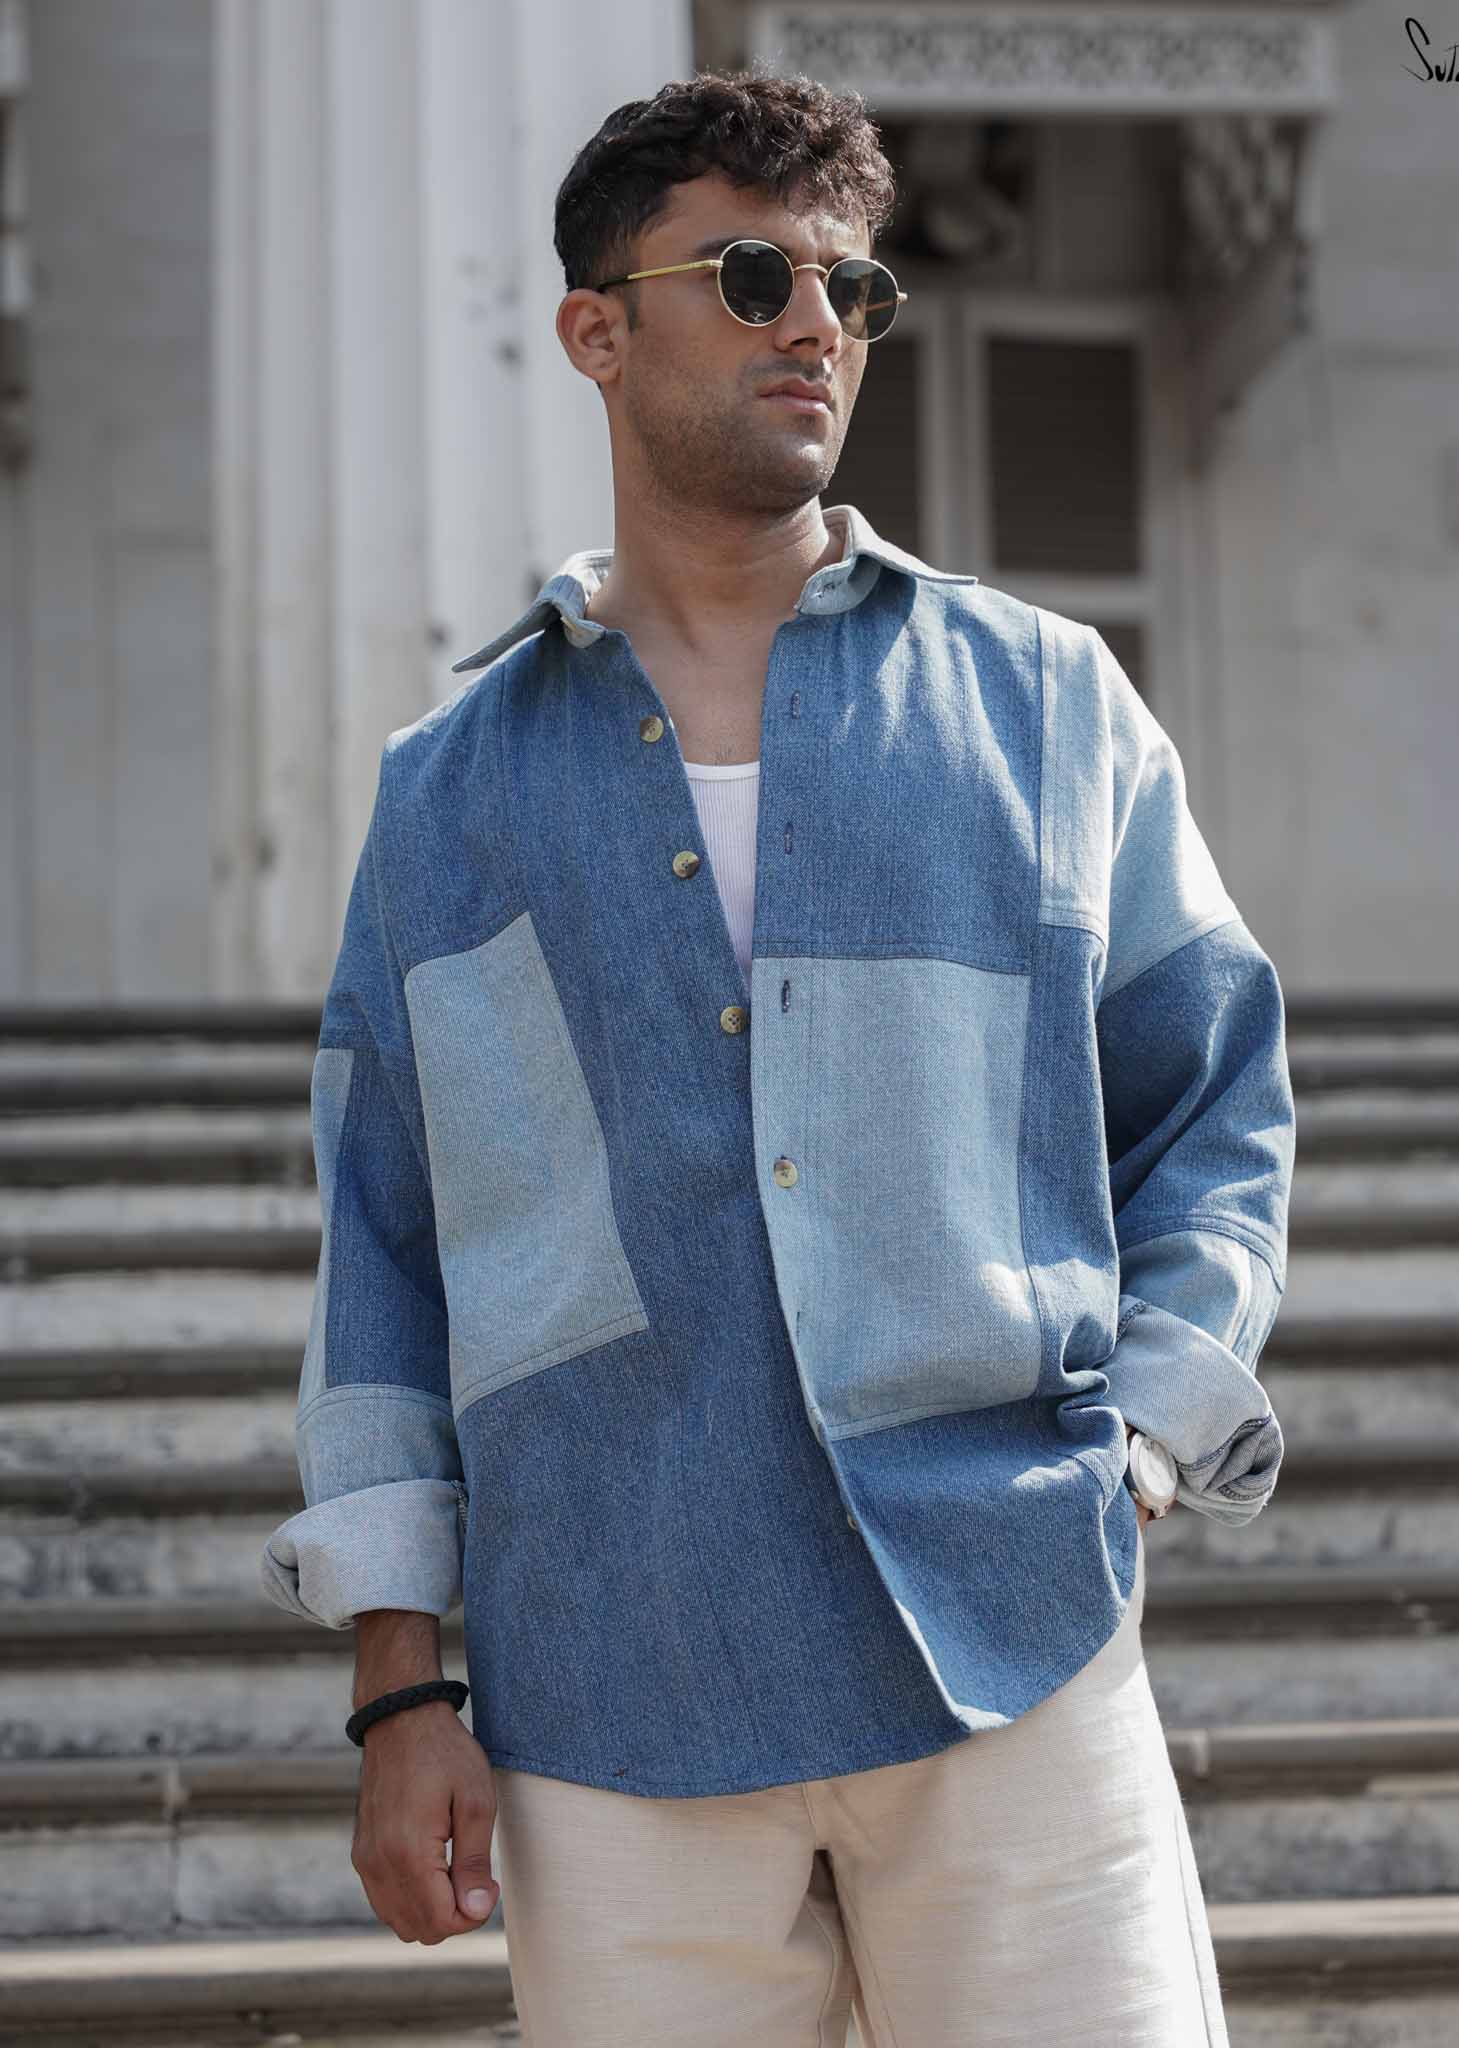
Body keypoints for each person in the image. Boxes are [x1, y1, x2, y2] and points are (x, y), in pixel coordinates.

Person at [261, 69, 1294, 2048]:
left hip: (1014, 1646)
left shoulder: (1045, 707)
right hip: (613, 1692)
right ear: (596, 331)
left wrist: (1148, 1446)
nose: (816, 323)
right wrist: (401, 1686)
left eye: (850, 288)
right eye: (750, 278)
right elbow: (385, 1254)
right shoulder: (448, 797)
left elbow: (1213, 1103)